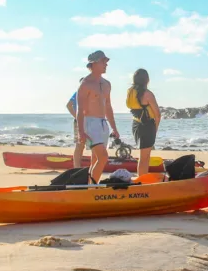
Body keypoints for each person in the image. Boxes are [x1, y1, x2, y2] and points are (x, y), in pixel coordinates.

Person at [76, 50, 120, 184]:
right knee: (103, 157)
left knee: (95, 160)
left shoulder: (107, 84)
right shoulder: (85, 84)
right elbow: (80, 110)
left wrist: (114, 128)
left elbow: (108, 107)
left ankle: (90, 186)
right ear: (93, 64)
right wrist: (81, 131)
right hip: (90, 123)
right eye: (103, 62)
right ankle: (92, 187)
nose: (106, 64)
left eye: (106, 62)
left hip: (103, 123)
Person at [126, 69, 161, 176]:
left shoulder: (130, 91)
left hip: (135, 125)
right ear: (147, 80)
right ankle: (142, 181)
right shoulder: (148, 94)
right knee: (144, 157)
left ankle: (142, 180)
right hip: (147, 126)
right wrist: (155, 129)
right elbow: (157, 114)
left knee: (143, 156)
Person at [66, 87, 85, 169]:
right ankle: (77, 167)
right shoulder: (78, 93)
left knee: (82, 145)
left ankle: (78, 167)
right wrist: (77, 117)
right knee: (80, 145)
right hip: (81, 121)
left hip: (89, 121)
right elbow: (69, 105)